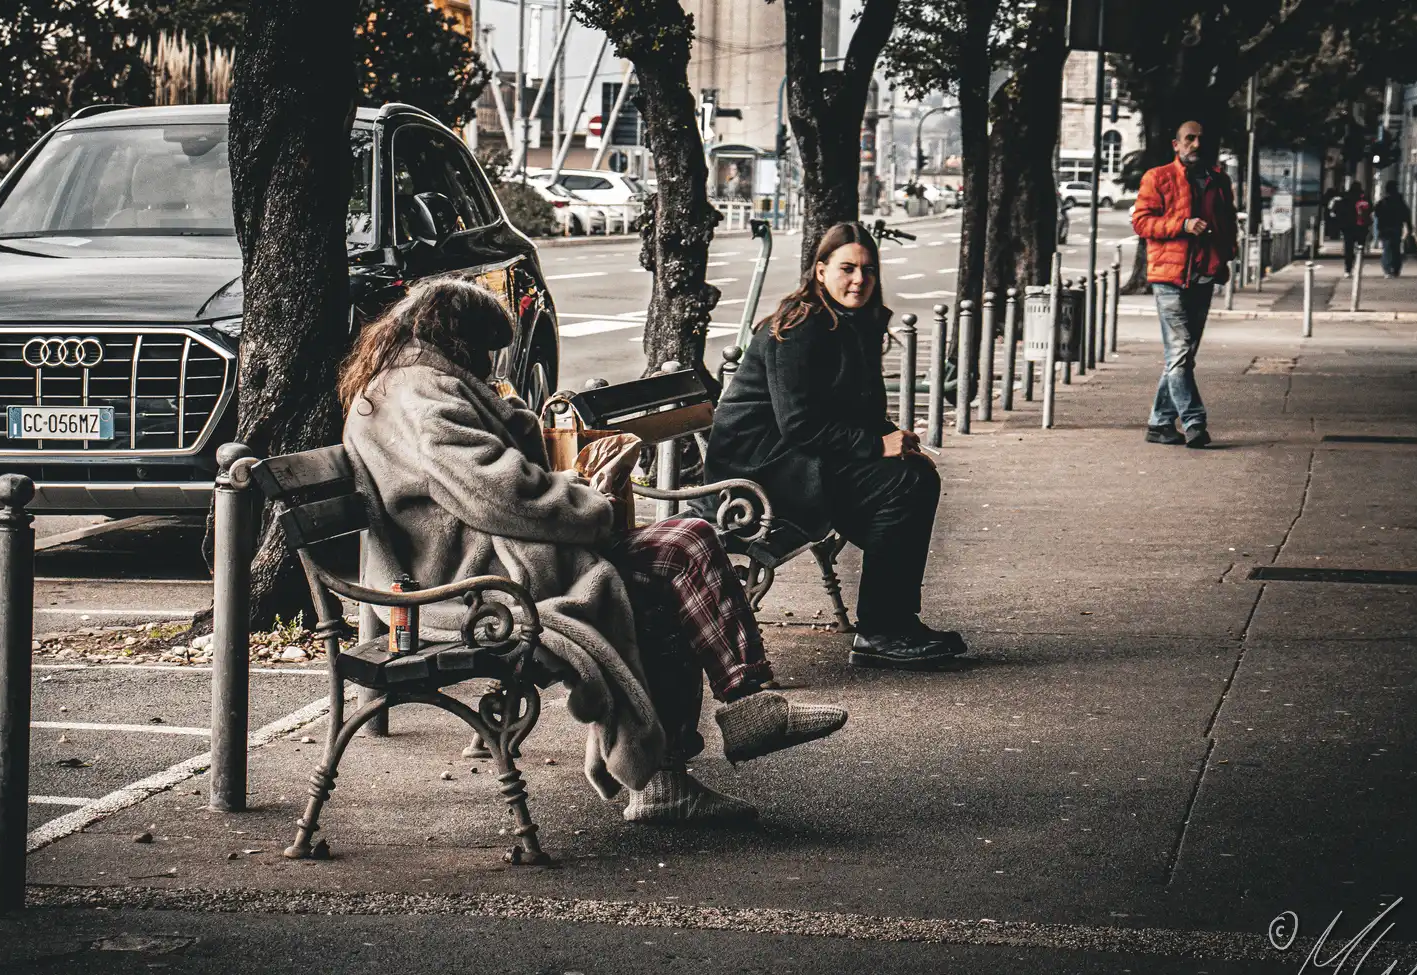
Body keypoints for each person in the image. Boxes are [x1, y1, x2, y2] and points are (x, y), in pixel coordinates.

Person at [339, 279, 848, 824]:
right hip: (480, 583)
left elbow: (493, 489)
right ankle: (694, 757)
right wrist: (593, 498)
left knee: (685, 541)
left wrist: (578, 480)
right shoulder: (422, 396)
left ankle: (746, 708)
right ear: (460, 340)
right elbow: (498, 493)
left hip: (504, 557)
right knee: (674, 560)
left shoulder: (415, 384)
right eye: (489, 349)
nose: (493, 364)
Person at [706, 221, 965, 670]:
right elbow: (799, 425)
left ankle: (893, 620)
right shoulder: (801, 328)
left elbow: (852, 410)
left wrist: (892, 441)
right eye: (847, 268)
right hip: (759, 474)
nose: (859, 279)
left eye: (868, 270)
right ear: (820, 270)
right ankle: (883, 628)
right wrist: (873, 446)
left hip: (800, 460)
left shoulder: (848, 323)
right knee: (903, 486)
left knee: (913, 476)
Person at [1130, 119, 1236, 450]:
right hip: (1169, 278)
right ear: (1176, 145)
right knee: (1178, 351)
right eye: (1189, 139)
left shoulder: (1219, 180)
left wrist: (1225, 259)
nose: (1196, 144)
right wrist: (1183, 224)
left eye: (1201, 139)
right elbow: (1141, 221)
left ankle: (1160, 422)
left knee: (1184, 354)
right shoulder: (1158, 177)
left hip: (1203, 277)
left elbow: (1228, 223)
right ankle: (1194, 421)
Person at [1333, 182, 1372, 276]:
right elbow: (1370, 209)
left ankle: (1348, 269)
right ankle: (1358, 265)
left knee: (1348, 248)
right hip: (1361, 226)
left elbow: (1336, 210)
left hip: (1348, 227)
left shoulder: (1345, 198)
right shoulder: (1363, 198)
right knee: (1360, 247)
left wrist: (1340, 223)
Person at [1374, 182, 1411, 277]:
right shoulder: (1400, 202)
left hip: (1384, 228)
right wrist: (1409, 227)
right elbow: (1406, 215)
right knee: (1396, 249)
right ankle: (1395, 269)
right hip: (1396, 228)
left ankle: (1387, 269)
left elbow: (1377, 213)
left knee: (1387, 248)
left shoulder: (1383, 202)